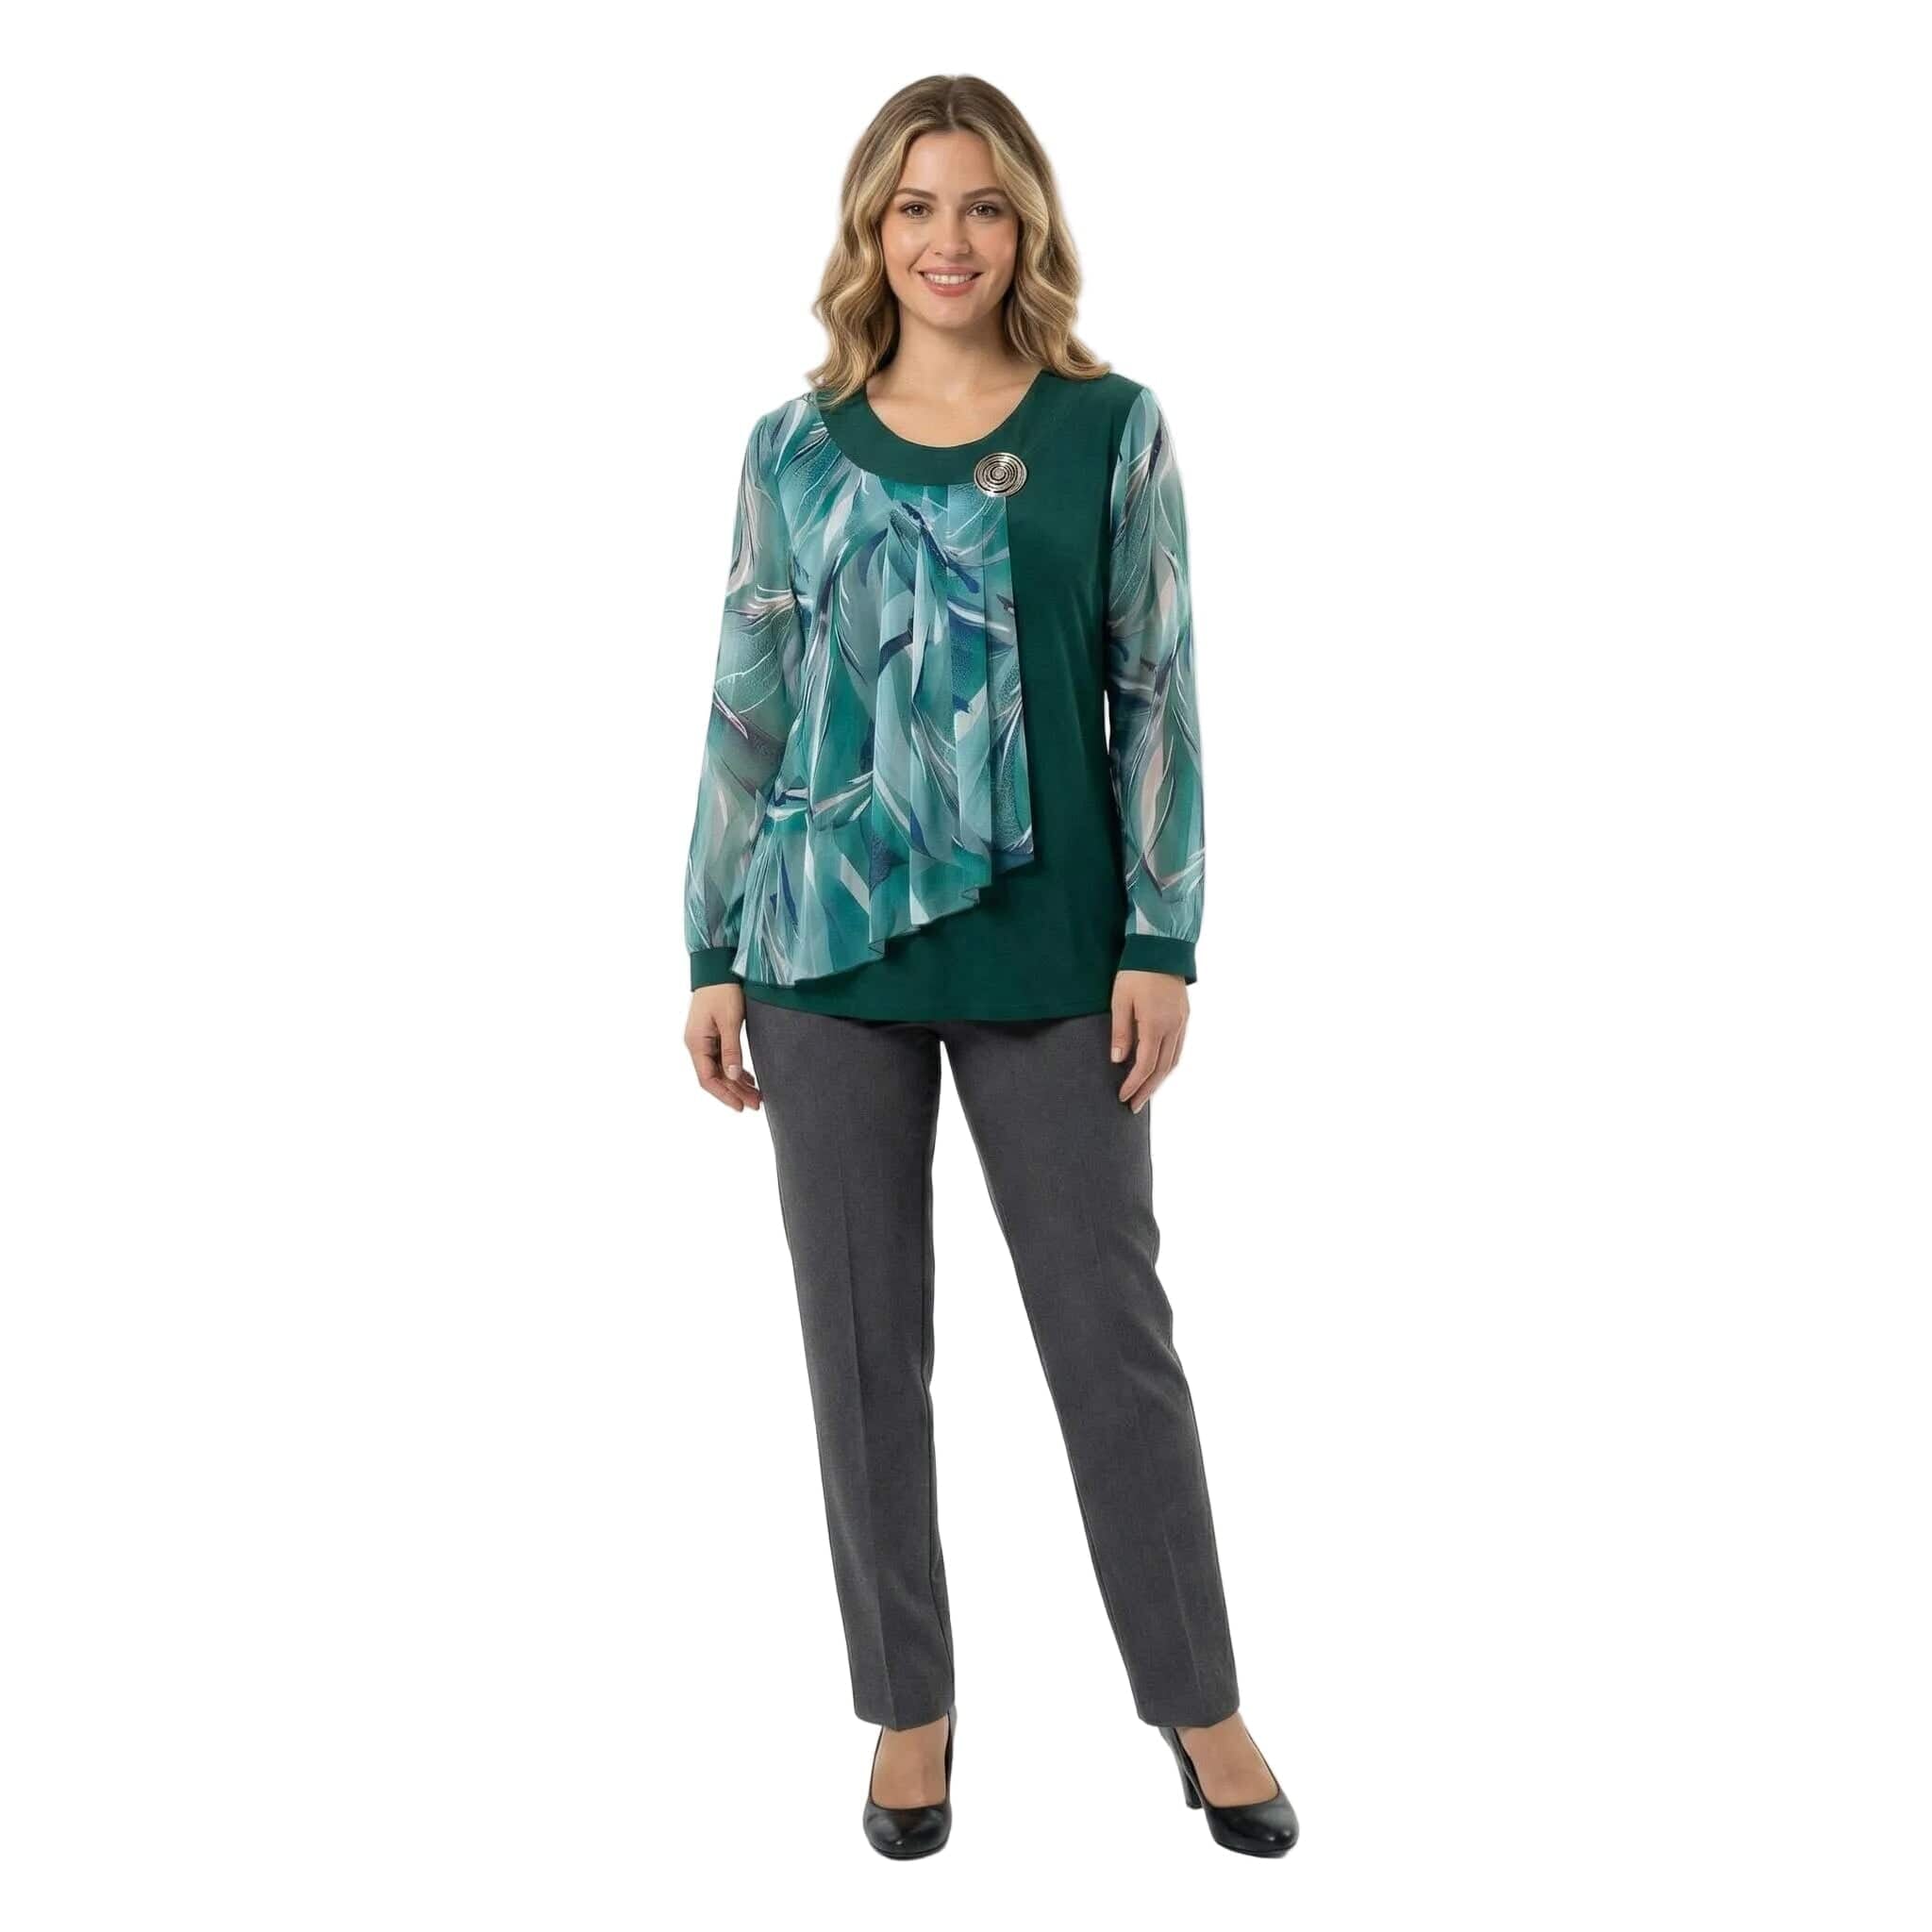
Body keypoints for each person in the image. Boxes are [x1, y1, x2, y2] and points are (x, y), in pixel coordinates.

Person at [679, 73, 1297, 1862]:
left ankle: (1199, 1703)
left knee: (1111, 1339)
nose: (948, 241)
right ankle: (911, 1711)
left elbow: (1160, 692)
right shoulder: (792, 448)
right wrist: (712, 943)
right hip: (820, 954)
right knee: (861, 1349)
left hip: (1055, 953)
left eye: (983, 206)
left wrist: (1162, 934)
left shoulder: (1113, 428)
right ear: (869, 231)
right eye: (914, 207)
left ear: (1028, 228)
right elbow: (746, 699)